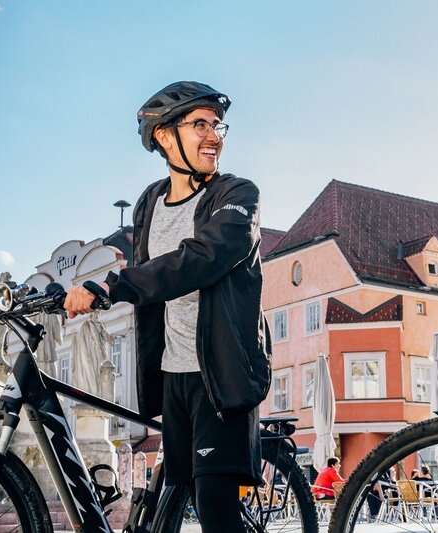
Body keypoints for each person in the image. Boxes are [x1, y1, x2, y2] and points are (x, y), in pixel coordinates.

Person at [63, 81, 271, 533]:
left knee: (216, 508)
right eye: (200, 125)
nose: (214, 135)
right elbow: (154, 279)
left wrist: (111, 286)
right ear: (164, 135)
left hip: (220, 372)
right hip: (173, 373)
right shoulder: (149, 202)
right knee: (181, 498)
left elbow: (200, 258)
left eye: (217, 126)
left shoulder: (237, 195)